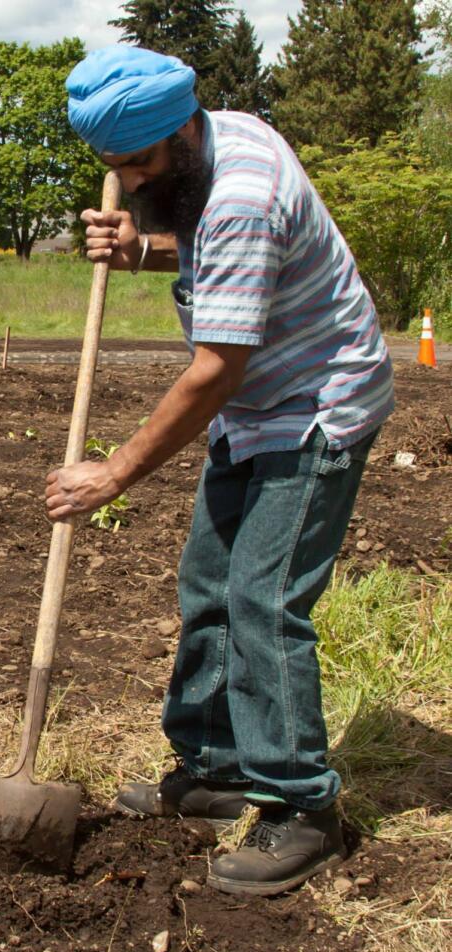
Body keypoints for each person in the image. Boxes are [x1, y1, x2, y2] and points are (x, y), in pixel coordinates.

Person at [53, 46, 394, 896]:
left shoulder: (243, 191)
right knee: (209, 584)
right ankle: (214, 770)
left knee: (263, 602)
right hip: (255, 410)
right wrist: (142, 249)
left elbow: (215, 369)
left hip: (315, 406)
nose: (128, 183)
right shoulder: (210, 150)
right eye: (113, 168)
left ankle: (302, 807)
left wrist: (116, 473)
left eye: (139, 164)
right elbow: (208, 256)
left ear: (182, 134)